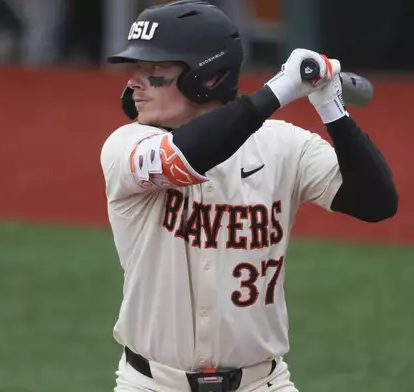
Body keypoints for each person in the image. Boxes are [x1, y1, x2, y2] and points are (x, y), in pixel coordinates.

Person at [100, 1, 398, 391]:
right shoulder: (127, 146)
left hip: (263, 384)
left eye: (154, 71)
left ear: (207, 77)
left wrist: (331, 107)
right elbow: (188, 155)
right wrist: (281, 89)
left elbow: (377, 202)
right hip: (151, 385)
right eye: (136, 69)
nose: (134, 82)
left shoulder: (283, 145)